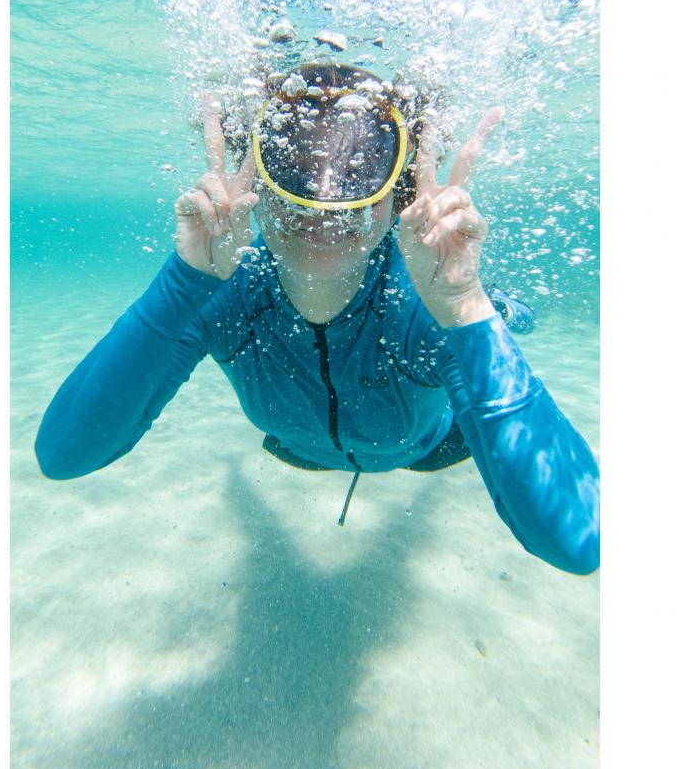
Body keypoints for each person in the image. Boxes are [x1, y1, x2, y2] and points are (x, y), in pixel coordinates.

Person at [35, 63, 599, 575]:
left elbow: (579, 538)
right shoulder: (223, 292)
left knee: (490, 318)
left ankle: (501, 306)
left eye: (358, 173)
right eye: (294, 171)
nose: (324, 205)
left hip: (430, 446)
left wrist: (466, 307)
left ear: (398, 189)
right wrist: (183, 283)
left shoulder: (424, 308)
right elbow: (64, 454)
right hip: (299, 448)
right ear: (256, 180)